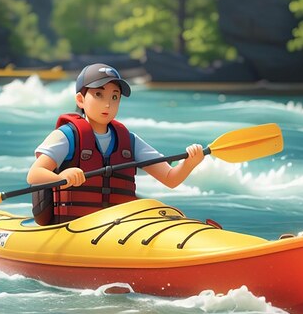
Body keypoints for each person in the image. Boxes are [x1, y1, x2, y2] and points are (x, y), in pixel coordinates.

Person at [27, 63, 204, 224]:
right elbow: (34, 175)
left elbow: (170, 178)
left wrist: (189, 163)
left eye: (114, 97)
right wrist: (61, 178)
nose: (107, 104)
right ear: (80, 99)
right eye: (99, 94)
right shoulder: (66, 136)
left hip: (118, 228)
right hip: (74, 226)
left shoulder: (129, 140)